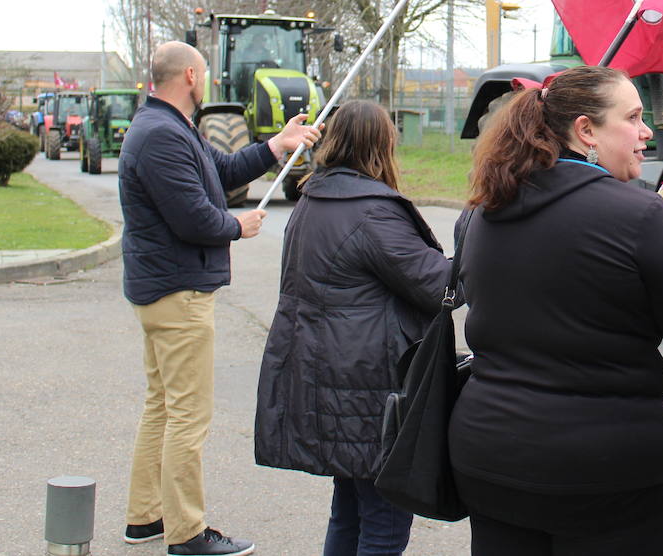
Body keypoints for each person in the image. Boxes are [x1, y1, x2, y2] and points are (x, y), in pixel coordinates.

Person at [449, 66, 663, 556]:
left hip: (490, 456)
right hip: (604, 474)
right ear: (586, 131)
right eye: (634, 117)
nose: (646, 133)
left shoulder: (484, 208)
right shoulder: (638, 215)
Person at [119, 41, 319, 556]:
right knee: (187, 413)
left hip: (166, 289)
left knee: (163, 406)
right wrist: (239, 224)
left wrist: (277, 144)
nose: (205, 79)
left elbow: (224, 171)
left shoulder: (172, 127)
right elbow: (194, 217)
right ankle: (186, 532)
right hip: (177, 293)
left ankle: (146, 517)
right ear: (191, 75)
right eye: (204, 72)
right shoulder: (161, 136)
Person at [253, 100, 451, 556]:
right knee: (384, 522)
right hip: (367, 388)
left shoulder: (314, 199)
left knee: (349, 511)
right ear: (380, 146)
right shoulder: (371, 212)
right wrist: (477, 239)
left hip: (327, 381)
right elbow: (441, 288)